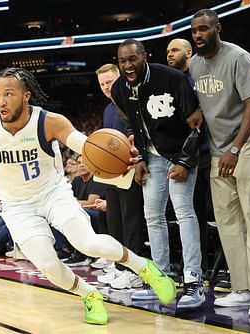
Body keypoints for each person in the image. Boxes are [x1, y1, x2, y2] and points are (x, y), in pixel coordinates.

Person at [0, 67, 176, 325]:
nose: (2, 101)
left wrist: (120, 154)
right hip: (17, 205)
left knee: (87, 242)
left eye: (9, 94)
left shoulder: (50, 121)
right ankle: (89, 294)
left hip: (52, 193)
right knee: (48, 265)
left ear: (26, 96)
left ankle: (144, 267)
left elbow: (86, 146)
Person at [187, 9, 250, 315]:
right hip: (219, 150)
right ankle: (243, 288)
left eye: (204, 29)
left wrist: (235, 148)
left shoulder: (239, 57)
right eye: (195, 31)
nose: (199, 35)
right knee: (229, 221)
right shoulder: (193, 64)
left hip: (249, 143)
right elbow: (207, 105)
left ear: (218, 28)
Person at [111, 39, 204, 309]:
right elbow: (131, 123)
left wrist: (185, 162)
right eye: (122, 61)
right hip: (151, 156)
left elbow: (197, 123)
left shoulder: (172, 78)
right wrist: (140, 156)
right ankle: (161, 280)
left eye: (133, 59)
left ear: (144, 57)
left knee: (184, 211)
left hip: (180, 154)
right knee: (153, 216)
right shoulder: (119, 88)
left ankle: (193, 281)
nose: (128, 65)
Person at [93, 63, 148, 291]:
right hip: (112, 173)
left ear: (120, 79)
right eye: (102, 83)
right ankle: (120, 266)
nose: (106, 87)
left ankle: (135, 271)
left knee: (131, 220)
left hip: (130, 169)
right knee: (114, 219)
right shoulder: (107, 110)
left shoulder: (132, 101)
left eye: (109, 82)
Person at [167, 38, 212, 283]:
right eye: (167, 51)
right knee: (192, 213)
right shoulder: (171, 82)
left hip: (210, 152)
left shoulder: (201, 75)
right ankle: (194, 266)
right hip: (188, 157)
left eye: (174, 50)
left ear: (188, 52)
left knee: (213, 214)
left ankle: (209, 268)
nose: (169, 55)